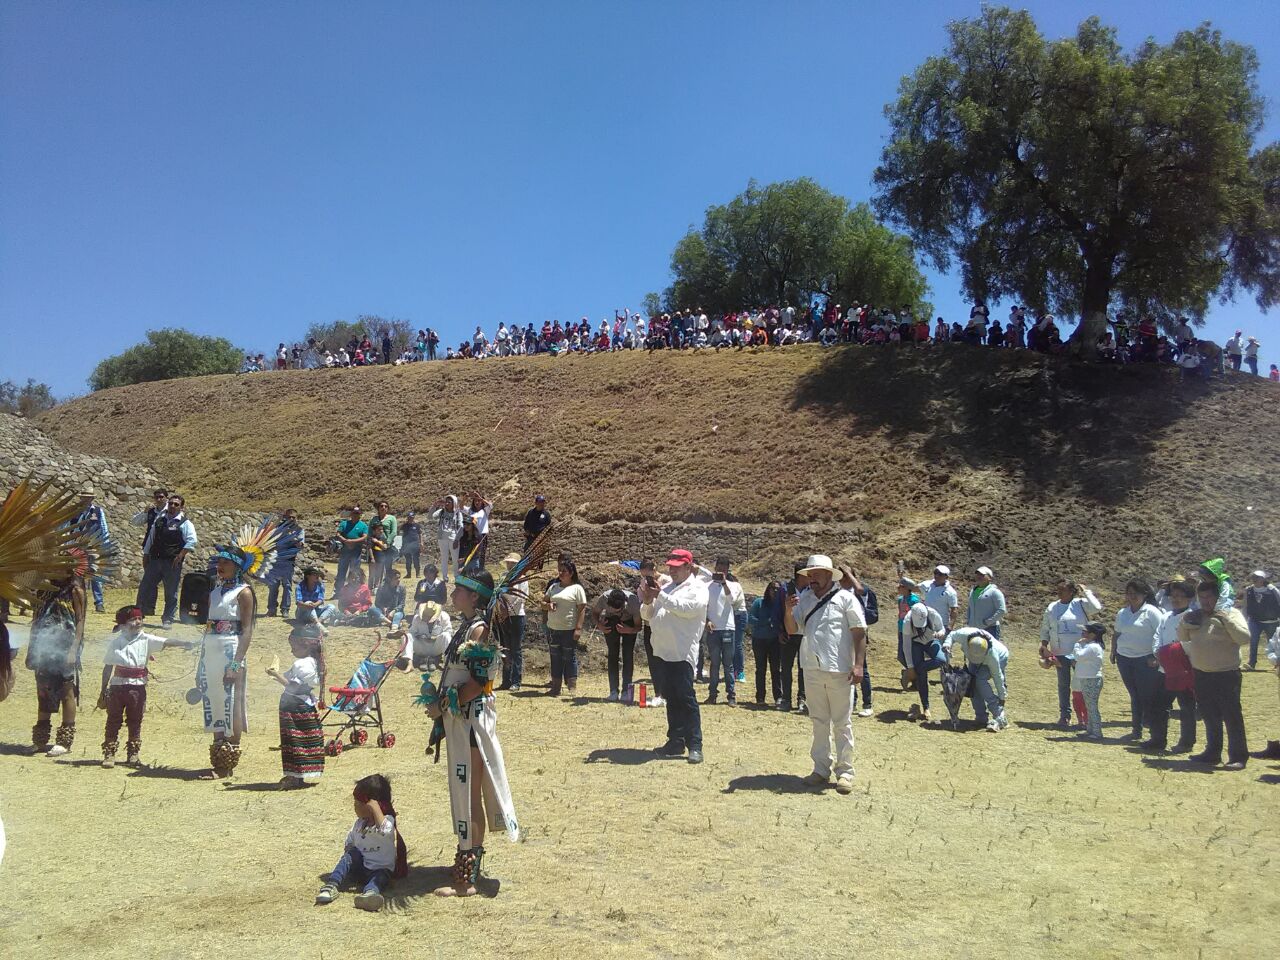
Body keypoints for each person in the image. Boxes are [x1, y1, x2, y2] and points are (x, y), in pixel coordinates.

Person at [424, 569, 519, 897]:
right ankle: (466, 863)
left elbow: (479, 683)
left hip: (471, 723)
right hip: (460, 721)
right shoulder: (468, 627)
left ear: (475, 596)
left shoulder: (480, 631)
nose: (453, 593)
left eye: (460, 589)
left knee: (470, 795)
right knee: (463, 793)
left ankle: (467, 878)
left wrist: (444, 705)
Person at [783, 556, 867, 794]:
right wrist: (788, 610)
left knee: (842, 722)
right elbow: (792, 629)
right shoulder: (805, 600)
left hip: (840, 669)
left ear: (829, 575)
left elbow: (859, 632)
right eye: (809, 575)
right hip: (811, 668)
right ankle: (821, 768)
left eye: (816, 574)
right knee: (819, 721)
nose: (812, 579)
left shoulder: (845, 599)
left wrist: (858, 665)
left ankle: (845, 772)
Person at [98, 605, 193, 767]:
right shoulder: (116, 643)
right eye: (132, 619)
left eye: (139, 619)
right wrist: (103, 690)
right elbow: (108, 667)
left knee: (135, 720)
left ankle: (133, 754)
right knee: (113, 720)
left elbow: (167, 642)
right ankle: (109, 753)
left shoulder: (146, 639)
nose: (137, 622)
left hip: (137, 688)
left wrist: (185, 643)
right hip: (117, 687)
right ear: (122, 625)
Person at [639, 549, 709, 763]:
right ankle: (675, 740)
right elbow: (647, 615)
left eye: (677, 567)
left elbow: (687, 608)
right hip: (663, 651)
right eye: (670, 566)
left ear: (688, 567)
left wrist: (660, 595)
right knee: (671, 697)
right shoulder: (667, 587)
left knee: (686, 698)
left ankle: (695, 743)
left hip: (682, 651)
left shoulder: (698, 588)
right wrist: (649, 600)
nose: (672, 570)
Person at [197, 543, 261, 779]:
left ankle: (227, 760)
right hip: (212, 649)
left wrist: (235, 664)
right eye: (218, 562)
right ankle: (218, 756)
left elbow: (246, 631)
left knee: (232, 702)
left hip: (231, 649)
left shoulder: (243, 593)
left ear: (237, 567)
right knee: (214, 700)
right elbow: (208, 627)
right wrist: (201, 661)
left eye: (225, 563)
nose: (220, 566)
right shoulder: (215, 592)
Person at [1179, 580, 1251, 769]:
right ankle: (1212, 752)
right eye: (1201, 597)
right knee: (1210, 715)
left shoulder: (1232, 614)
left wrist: (1225, 619)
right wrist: (1185, 622)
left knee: (1232, 716)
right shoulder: (1196, 616)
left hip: (1226, 674)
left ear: (1218, 597)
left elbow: (1244, 638)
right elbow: (1182, 637)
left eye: (1209, 597)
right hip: (1202, 673)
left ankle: (1238, 756)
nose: (1205, 601)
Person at [315, 774, 407, 911]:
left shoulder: (387, 821)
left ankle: (370, 893)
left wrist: (375, 808)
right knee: (351, 854)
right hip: (361, 869)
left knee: (380, 877)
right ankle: (332, 884)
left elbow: (385, 830)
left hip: (380, 870)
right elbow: (350, 842)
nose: (354, 806)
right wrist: (350, 856)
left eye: (357, 803)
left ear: (371, 805)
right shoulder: (359, 824)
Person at [26, 575, 87, 756]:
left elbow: (80, 620)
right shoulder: (43, 587)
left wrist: (74, 649)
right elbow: (36, 617)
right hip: (43, 645)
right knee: (44, 691)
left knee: (67, 690)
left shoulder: (75, 590)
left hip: (66, 644)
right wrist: (33, 647)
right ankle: (40, 739)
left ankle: (64, 741)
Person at [266, 622, 326, 787]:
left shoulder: (303, 664)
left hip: (295, 707)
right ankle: (298, 775)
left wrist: (275, 675)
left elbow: (293, 686)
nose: (292, 650)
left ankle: (295, 776)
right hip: (302, 706)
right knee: (301, 740)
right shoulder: (314, 662)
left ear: (306, 646)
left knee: (294, 741)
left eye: (294, 647)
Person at [1038, 580, 1103, 727]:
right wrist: (1043, 644)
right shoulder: (1052, 607)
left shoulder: (1080, 604)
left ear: (1072, 591)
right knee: (1063, 685)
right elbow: (1045, 627)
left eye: (1063, 590)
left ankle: (1085, 716)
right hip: (1059, 651)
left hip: (1079, 652)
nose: (1059, 592)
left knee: (1081, 685)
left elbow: (1097, 607)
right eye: (1058, 589)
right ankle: (1065, 715)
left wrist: (1086, 591)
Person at [1111, 579, 1165, 742]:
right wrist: (1114, 652)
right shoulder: (1123, 613)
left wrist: (1157, 657)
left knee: (1146, 695)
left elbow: (1161, 634)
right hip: (1125, 659)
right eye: (1129, 593)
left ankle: (1152, 730)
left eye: (1135, 593)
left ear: (1144, 594)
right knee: (1134, 694)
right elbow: (1117, 633)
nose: (1132, 597)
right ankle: (1136, 729)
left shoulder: (1152, 612)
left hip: (1145, 659)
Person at [1150, 579, 1198, 754]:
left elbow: (1192, 642)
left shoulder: (1193, 616)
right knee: (1158, 704)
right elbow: (1158, 634)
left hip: (1183, 668)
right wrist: (1158, 652)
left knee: (1186, 706)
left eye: (1180, 596)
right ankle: (1157, 739)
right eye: (1173, 595)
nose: (1176, 599)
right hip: (1165, 668)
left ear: (1189, 598)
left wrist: (1177, 653)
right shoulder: (1166, 616)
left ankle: (1186, 742)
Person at [136, 494, 198, 625]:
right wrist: (146, 555)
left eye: (176, 504)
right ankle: (139, 615)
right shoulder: (159, 520)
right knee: (145, 588)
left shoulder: (185, 523)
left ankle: (168, 618)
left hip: (172, 563)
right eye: (171, 503)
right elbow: (150, 539)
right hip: (155, 560)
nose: (173, 506)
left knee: (170, 592)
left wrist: (180, 555)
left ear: (181, 507)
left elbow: (192, 541)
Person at [941, 627, 1010, 731]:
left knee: (980, 681)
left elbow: (997, 676)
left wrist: (1002, 696)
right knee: (972, 682)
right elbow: (951, 635)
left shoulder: (992, 655)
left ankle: (1000, 717)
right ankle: (981, 717)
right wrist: (947, 644)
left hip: (1001, 657)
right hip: (975, 662)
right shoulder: (964, 634)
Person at [543, 559, 587, 697]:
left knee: (569, 656)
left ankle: (572, 686)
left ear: (571, 573)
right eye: (560, 571)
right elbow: (544, 602)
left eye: (564, 571)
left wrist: (578, 628)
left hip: (569, 629)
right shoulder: (553, 587)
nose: (561, 573)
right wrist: (547, 606)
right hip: (553, 628)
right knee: (555, 657)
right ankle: (556, 687)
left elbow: (582, 609)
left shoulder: (577, 588)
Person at [592, 588, 642, 702]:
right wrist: (599, 625)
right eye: (613, 610)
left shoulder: (633, 601)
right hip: (610, 622)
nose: (617, 613)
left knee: (628, 655)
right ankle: (613, 691)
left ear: (624, 604)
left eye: (618, 611)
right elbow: (595, 613)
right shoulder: (604, 597)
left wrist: (630, 630)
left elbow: (639, 626)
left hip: (629, 623)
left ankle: (626, 691)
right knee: (612, 655)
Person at [900, 600, 946, 723]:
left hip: (931, 641)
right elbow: (906, 646)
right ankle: (926, 707)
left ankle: (917, 670)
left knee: (941, 660)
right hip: (916, 644)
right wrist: (910, 666)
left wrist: (940, 633)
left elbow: (942, 628)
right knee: (922, 676)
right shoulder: (907, 622)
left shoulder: (933, 614)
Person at [703, 559, 739, 706]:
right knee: (714, 663)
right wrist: (706, 621)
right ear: (715, 568)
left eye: (725, 569)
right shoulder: (706, 587)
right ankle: (712, 694)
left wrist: (724, 583)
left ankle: (731, 696)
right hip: (713, 629)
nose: (721, 572)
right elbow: (702, 606)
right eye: (719, 569)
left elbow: (732, 600)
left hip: (728, 628)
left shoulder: (733, 585)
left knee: (728, 664)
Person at [636, 558, 670, 707]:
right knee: (653, 660)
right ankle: (658, 693)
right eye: (643, 576)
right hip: (649, 625)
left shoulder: (667, 581)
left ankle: (668, 692)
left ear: (654, 568)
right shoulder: (643, 584)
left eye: (648, 575)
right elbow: (643, 604)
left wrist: (657, 591)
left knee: (665, 661)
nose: (646, 579)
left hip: (664, 625)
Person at [777, 562, 809, 714]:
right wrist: (779, 631)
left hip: (806, 634)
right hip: (789, 634)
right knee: (786, 668)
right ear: (800, 574)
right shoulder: (785, 589)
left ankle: (802, 699)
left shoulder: (811, 590)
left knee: (804, 668)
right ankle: (786, 699)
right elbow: (777, 611)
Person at [496, 553, 527, 691]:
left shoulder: (522, 579)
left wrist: (507, 608)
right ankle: (506, 680)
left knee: (515, 648)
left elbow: (521, 598)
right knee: (505, 647)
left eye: (512, 563)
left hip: (516, 615)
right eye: (508, 563)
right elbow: (498, 593)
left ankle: (516, 680)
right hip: (504, 615)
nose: (510, 565)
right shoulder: (503, 577)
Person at [266, 508, 305, 618]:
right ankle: (271, 609)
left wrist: (297, 542)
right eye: (289, 517)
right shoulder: (278, 528)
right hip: (276, 560)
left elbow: (301, 544)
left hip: (289, 561)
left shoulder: (299, 530)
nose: (291, 519)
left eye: (293, 517)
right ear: (285, 517)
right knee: (273, 585)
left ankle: (285, 609)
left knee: (287, 585)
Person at [75, 491, 110, 613]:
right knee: (77, 573)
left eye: (88, 498)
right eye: (84, 497)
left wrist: (105, 544)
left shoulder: (98, 511)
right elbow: (68, 526)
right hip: (77, 546)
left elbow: (103, 527)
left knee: (95, 574)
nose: (85, 500)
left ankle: (99, 603)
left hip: (94, 545)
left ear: (91, 499)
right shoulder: (74, 511)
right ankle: (78, 601)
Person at [749, 582, 783, 707]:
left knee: (776, 670)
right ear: (768, 590)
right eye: (772, 588)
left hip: (775, 640)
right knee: (760, 669)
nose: (775, 591)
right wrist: (766, 622)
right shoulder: (759, 602)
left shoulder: (781, 605)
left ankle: (778, 697)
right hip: (760, 640)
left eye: (777, 589)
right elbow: (750, 618)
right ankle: (760, 697)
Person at [1072, 623, 1107, 740]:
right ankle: (1091, 729)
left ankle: (1097, 732)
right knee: (1089, 705)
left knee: (1092, 706)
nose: (1082, 634)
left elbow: (1078, 656)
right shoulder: (1091, 646)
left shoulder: (1093, 647)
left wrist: (1077, 644)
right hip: (1088, 678)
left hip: (1092, 679)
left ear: (1092, 635)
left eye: (1084, 632)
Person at [1244, 570, 1280, 670]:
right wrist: (1244, 619)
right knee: (1253, 641)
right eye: (1254, 577)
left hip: (1271, 621)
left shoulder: (1272, 589)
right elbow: (1246, 606)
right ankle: (1251, 663)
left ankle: (1277, 664)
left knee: (1273, 644)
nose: (1255, 579)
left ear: (1263, 579)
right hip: (1255, 620)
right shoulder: (1249, 590)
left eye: (1257, 577)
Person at [333, 506, 368, 595]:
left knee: (354, 571)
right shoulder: (344, 523)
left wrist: (353, 541)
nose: (355, 515)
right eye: (354, 513)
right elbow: (338, 533)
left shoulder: (363, 525)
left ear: (360, 515)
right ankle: (338, 591)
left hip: (356, 551)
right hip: (345, 550)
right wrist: (345, 541)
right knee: (341, 571)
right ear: (351, 514)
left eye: (357, 513)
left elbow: (364, 536)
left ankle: (352, 591)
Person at [430, 496, 464, 584]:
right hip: (442, 538)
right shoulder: (441, 511)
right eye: (446, 502)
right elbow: (430, 517)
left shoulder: (457, 513)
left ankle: (456, 576)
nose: (447, 503)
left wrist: (457, 539)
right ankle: (445, 577)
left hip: (453, 538)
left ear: (454, 503)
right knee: (444, 558)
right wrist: (434, 505)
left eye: (449, 502)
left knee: (455, 558)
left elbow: (461, 526)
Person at [965, 566, 1006, 639]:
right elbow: (970, 607)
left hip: (990, 629)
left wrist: (987, 622)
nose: (979, 576)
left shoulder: (994, 592)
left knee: (990, 650)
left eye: (982, 575)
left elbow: (1001, 610)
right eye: (977, 574)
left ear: (989, 578)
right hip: (973, 628)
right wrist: (969, 620)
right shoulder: (973, 591)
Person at [923, 565, 959, 631]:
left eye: (940, 574)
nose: (937, 576)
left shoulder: (950, 592)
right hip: (926, 622)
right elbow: (913, 588)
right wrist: (901, 577)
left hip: (941, 625)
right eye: (935, 573)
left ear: (946, 576)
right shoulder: (927, 584)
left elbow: (954, 610)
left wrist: (950, 626)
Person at [464, 492, 493, 568]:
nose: (477, 502)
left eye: (479, 501)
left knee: (481, 554)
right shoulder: (470, 510)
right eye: (475, 501)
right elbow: (460, 507)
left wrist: (481, 498)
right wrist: (465, 498)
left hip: (482, 536)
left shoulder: (485, 511)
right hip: (472, 535)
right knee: (469, 553)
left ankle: (480, 571)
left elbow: (490, 505)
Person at [400, 511, 422, 579]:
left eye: (412, 517)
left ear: (414, 517)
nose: (410, 518)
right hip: (406, 545)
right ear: (407, 517)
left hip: (415, 544)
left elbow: (420, 534)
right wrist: (402, 545)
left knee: (416, 559)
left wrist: (421, 543)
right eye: (409, 517)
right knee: (408, 560)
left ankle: (417, 573)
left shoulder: (417, 525)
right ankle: (408, 574)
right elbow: (401, 534)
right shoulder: (404, 526)